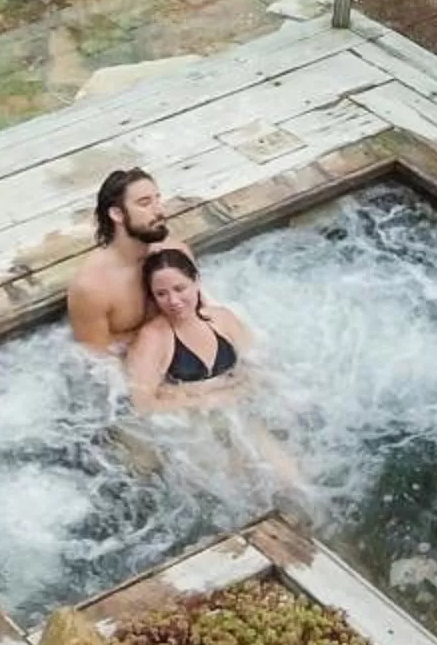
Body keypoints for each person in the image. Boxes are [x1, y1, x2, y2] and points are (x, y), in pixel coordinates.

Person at [123, 245, 302, 492]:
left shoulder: (222, 319)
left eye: (179, 288)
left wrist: (266, 391)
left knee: (292, 481)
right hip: (191, 429)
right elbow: (143, 406)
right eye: (161, 294)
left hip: (236, 414)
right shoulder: (153, 338)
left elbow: (257, 364)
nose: (173, 301)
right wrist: (209, 397)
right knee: (241, 490)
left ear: (196, 282)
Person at [66, 167, 169, 352]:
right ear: (117, 215)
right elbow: (98, 362)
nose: (160, 210)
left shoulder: (174, 253)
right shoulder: (91, 288)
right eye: (145, 203)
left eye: (158, 199)